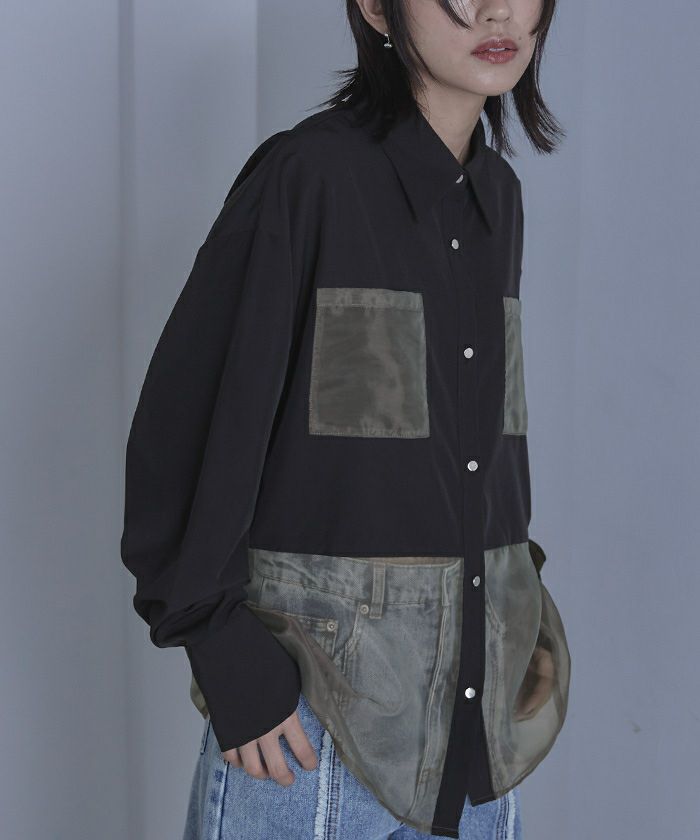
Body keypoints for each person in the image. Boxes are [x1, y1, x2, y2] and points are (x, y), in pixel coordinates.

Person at [120, 1, 572, 838]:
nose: (497, 10)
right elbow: (184, 426)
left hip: (476, 739)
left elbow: (473, 455)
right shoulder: (310, 175)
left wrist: (519, 614)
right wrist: (222, 650)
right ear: (373, 6)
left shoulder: (497, 197)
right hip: (310, 735)